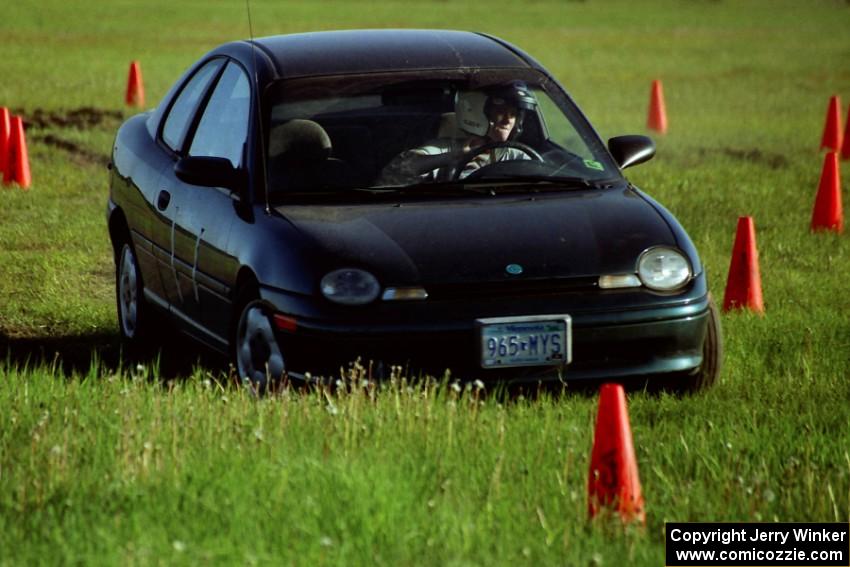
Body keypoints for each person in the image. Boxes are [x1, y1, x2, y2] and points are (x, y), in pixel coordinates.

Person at [378, 83, 538, 185]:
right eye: (501, 111)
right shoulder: (448, 148)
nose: (508, 121)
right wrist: (453, 157)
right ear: (477, 112)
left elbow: (546, 175)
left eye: (513, 114)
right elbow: (396, 171)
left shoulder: (515, 155)